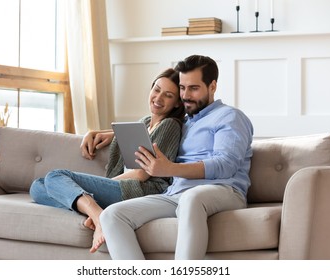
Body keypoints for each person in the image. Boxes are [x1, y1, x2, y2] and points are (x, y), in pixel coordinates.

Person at [97, 54, 254, 259]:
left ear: (213, 86)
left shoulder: (230, 116)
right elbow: (153, 129)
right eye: (182, 88)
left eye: (194, 88)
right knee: (111, 215)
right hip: (176, 194)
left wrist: (169, 169)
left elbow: (226, 164)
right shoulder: (185, 122)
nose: (186, 95)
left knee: (191, 198)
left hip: (224, 190)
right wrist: (107, 134)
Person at [29, 68, 185, 253]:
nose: (158, 98)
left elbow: (142, 174)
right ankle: (91, 206)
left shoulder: (170, 125)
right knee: (37, 187)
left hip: (140, 189)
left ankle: (97, 214)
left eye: (168, 95)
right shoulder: (144, 122)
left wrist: (103, 184)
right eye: (157, 89)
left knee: (55, 176)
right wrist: (99, 133)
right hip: (125, 186)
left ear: (176, 103)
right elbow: (127, 137)